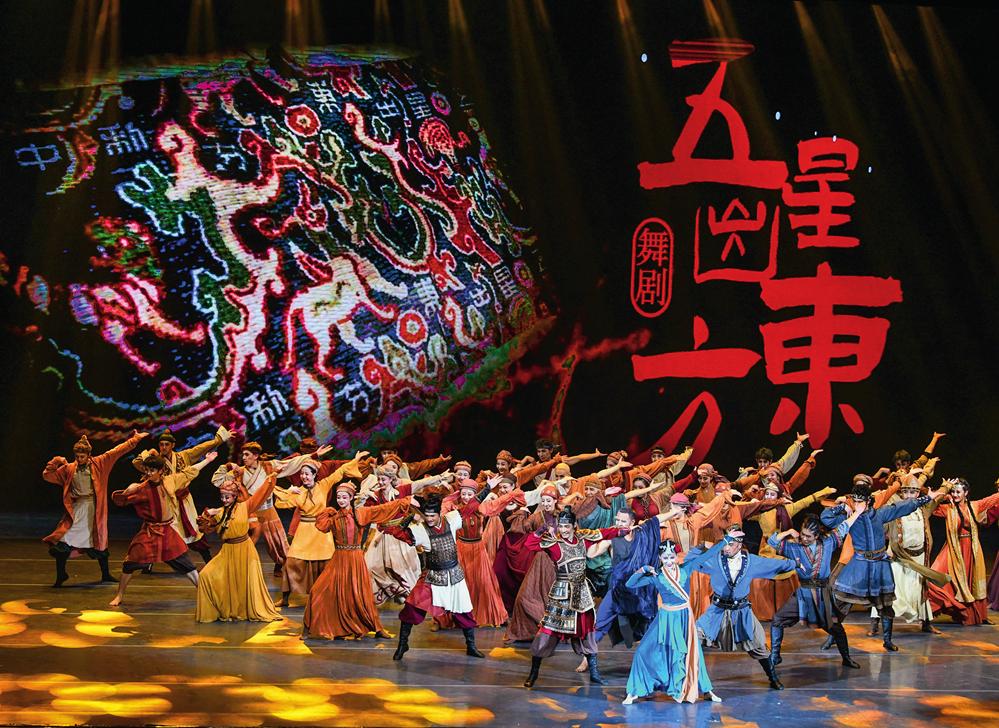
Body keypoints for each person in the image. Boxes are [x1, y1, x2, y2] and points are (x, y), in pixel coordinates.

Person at [821, 477, 944, 651]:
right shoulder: (850, 518)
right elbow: (825, 517)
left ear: (868, 501)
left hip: (879, 566)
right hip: (859, 565)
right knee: (842, 603)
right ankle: (832, 637)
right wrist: (843, 507)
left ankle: (887, 640)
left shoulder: (880, 514)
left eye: (860, 502)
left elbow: (904, 506)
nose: (857, 505)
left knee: (886, 605)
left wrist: (928, 498)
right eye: (855, 501)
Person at [522, 506, 627, 688]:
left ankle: (594, 674)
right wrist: (540, 531)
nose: (563, 530)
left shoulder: (582, 539)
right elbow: (529, 545)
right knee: (547, 632)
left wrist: (622, 531)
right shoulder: (554, 543)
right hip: (562, 594)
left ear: (574, 525)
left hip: (581, 593)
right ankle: (534, 673)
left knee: (587, 632)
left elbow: (603, 533)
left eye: (567, 526)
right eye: (561, 526)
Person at [382, 492, 490, 661]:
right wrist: (408, 519)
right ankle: (403, 644)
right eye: (426, 516)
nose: (429, 519)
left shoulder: (451, 520)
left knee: (463, 610)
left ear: (439, 513)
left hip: (454, 575)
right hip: (432, 576)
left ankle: (471, 646)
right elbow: (397, 533)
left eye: (432, 516)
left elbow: (469, 508)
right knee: (412, 606)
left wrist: (487, 489)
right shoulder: (420, 530)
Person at [622, 536, 729, 705]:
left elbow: (706, 555)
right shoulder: (656, 576)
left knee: (692, 654)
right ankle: (634, 691)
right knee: (643, 651)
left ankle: (707, 691)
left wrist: (725, 541)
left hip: (684, 617)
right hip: (665, 618)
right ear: (660, 558)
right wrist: (643, 569)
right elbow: (630, 584)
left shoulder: (686, 568)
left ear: (676, 556)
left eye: (672, 557)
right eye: (665, 558)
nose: (669, 561)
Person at [300, 481, 412, 640]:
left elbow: (382, 509)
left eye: (344, 497)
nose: (341, 500)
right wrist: (327, 511)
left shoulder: (360, 514)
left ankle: (377, 628)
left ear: (351, 498)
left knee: (362, 595)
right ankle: (308, 627)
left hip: (355, 559)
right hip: (339, 558)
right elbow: (321, 526)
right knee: (318, 590)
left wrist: (404, 501)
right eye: (338, 497)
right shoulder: (335, 517)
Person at [691, 525, 795, 690]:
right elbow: (692, 560)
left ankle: (772, 677)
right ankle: (688, 679)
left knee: (759, 646)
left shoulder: (751, 561)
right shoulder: (715, 560)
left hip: (742, 612)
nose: (727, 548)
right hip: (717, 612)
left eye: (731, 544)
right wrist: (702, 545)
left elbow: (773, 564)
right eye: (725, 543)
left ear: (739, 545)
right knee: (694, 638)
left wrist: (795, 563)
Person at [108, 451, 218, 606]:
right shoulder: (141, 489)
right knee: (130, 563)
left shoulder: (170, 481)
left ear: (161, 471)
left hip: (168, 532)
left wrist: (207, 461)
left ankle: (207, 595)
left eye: (152, 470)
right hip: (150, 532)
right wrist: (127, 491)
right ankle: (119, 595)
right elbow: (119, 501)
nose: (148, 473)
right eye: (146, 470)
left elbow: (189, 472)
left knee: (187, 565)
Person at [503, 483, 606, 642]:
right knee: (525, 597)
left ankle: (561, 632)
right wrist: (522, 514)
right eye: (543, 500)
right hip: (540, 563)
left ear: (556, 500)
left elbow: (577, 526)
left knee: (560, 598)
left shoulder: (563, 516)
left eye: (548, 500)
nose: (545, 504)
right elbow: (521, 528)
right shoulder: (536, 517)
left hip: (560, 561)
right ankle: (527, 632)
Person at [42, 431, 146, 587]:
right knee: (62, 541)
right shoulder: (69, 469)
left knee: (99, 541)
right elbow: (47, 475)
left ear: (89, 455)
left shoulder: (100, 463)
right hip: (77, 510)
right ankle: (61, 575)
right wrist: (56, 460)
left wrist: (135, 440)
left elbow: (117, 451)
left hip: (94, 510)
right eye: (77, 456)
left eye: (82, 456)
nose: (79, 459)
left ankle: (106, 574)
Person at [768, 512, 864, 671]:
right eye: (803, 534)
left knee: (836, 628)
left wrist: (858, 512)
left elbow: (844, 527)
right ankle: (775, 656)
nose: (804, 538)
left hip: (822, 595)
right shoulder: (794, 548)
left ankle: (846, 658)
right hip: (804, 594)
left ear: (817, 536)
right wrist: (789, 532)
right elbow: (772, 541)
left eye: (808, 536)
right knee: (778, 619)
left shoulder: (827, 543)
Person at [271, 450, 364, 607]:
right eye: (302, 474)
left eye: (307, 474)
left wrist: (355, 459)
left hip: (321, 530)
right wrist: (288, 490)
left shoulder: (323, 485)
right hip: (303, 531)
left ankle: (328, 596)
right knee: (291, 563)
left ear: (314, 475)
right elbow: (281, 502)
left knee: (325, 564)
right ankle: (285, 598)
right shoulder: (298, 491)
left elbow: (340, 472)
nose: (304, 477)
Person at [195, 468, 282, 623]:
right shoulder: (219, 513)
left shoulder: (245, 507)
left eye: (227, 497)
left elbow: (261, 494)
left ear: (235, 497)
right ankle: (222, 608)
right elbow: (205, 529)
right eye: (222, 497)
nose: (224, 500)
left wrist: (272, 475)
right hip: (227, 551)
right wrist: (207, 514)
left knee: (243, 582)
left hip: (245, 550)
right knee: (205, 575)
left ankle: (242, 609)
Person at [131, 426, 230, 563]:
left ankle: (208, 560)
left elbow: (202, 448)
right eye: (161, 444)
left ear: (173, 445)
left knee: (194, 529)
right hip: (166, 502)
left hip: (184, 499)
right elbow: (136, 463)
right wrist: (150, 452)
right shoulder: (156, 462)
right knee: (162, 532)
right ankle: (149, 563)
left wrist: (219, 439)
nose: (163, 447)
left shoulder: (183, 456)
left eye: (166, 444)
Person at [433, 479, 523, 629]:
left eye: (470, 494)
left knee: (485, 583)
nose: (466, 497)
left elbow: (498, 503)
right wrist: (448, 502)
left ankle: (498, 615)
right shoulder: (455, 509)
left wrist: (514, 494)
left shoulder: (481, 507)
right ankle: (441, 620)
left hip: (478, 549)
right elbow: (441, 515)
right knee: (455, 583)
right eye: (463, 494)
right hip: (461, 549)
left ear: (475, 495)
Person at [872, 475, 952, 634]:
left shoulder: (923, 509)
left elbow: (937, 498)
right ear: (902, 493)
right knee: (888, 590)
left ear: (918, 494)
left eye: (913, 492)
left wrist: (947, 486)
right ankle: (874, 624)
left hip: (919, 557)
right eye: (906, 492)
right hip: (899, 557)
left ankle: (926, 623)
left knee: (920, 590)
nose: (909, 495)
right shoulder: (894, 510)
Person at [927, 477, 999, 625]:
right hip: (953, 550)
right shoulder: (948, 509)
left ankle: (979, 616)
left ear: (966, 493)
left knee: (973, 582)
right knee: (936, 579)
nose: (955, 495)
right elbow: (931, 505)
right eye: (953, 492)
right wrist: (945, 493)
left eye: (958, 492)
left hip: (972, 550)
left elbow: (993, 499)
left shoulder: (975, 506)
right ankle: (927, 616)